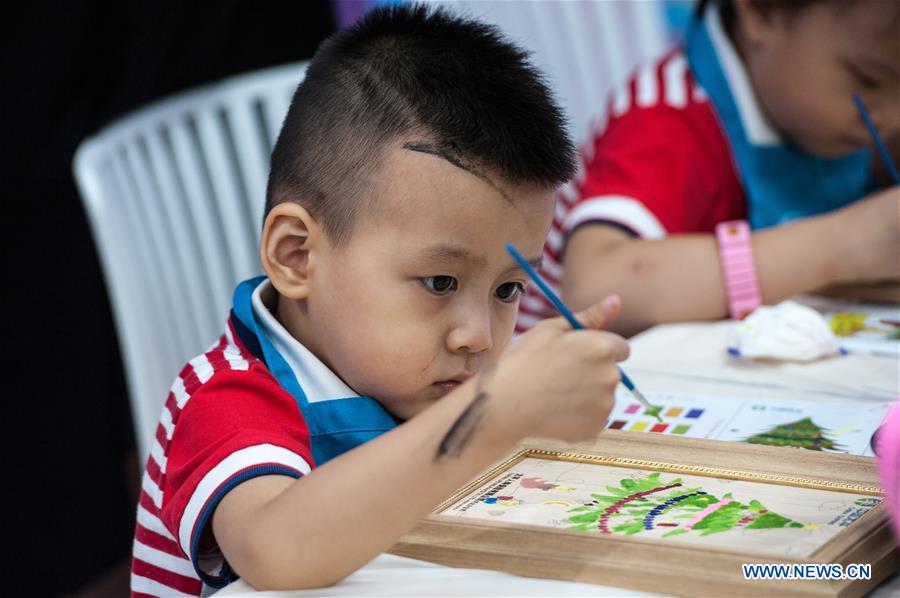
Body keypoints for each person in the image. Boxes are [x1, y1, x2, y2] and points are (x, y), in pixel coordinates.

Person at [130, 5, 629, 596]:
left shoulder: (414, 374)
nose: (479, 336)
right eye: (440, 283)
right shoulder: (223, 399)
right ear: (297, 256)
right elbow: (277, 551)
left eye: (507, 290)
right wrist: (491, 415)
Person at [517, 0, 900, 338]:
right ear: (761, 10)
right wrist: (845, 244)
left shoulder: (831, 114)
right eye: (869, 80)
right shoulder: (669, 118)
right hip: (534, 383)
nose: (892, 117)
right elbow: (595, 288)